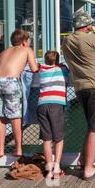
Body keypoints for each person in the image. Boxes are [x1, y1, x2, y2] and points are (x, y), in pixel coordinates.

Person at [62, 11, 95, 181]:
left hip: (80, 88)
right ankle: (88, 169)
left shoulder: (67, 41)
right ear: (88, 25)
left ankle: (84, 160)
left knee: (91, 126)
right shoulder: (92, 39)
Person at [0, 29, 39, 158]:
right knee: (15, 117)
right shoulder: (27, 50)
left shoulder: (5, 51)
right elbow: (34, 69)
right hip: (11, 82)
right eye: (28, 41)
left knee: (0, 117)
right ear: (24, 41)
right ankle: (18, 149)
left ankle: (0, 151)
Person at [36, 51, 68, 180]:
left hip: (42, 104)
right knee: (59, 138)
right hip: (56, 104)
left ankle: (49, 170)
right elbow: (66, 68)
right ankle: (57, 167)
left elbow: (36, 66)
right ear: (58, 61)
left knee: (46, 139)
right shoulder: (63, 69)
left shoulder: (41, 69)